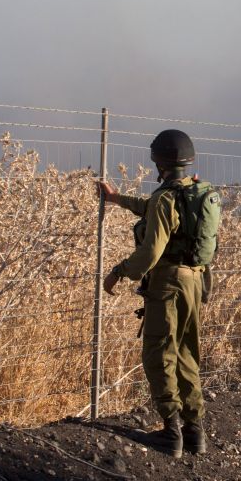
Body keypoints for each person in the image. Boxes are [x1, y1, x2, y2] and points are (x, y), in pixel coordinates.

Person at [98, 129, 216, 458]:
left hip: (167, 282)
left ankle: (171, 431)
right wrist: (117, 198)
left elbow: (151, 252)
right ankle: (195, 432)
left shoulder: (166, 198)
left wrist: (118, 271)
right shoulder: (196, 191)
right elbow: (153, 208)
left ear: (159, 162)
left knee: (159, 353)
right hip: (195, 281)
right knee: (186, 353)